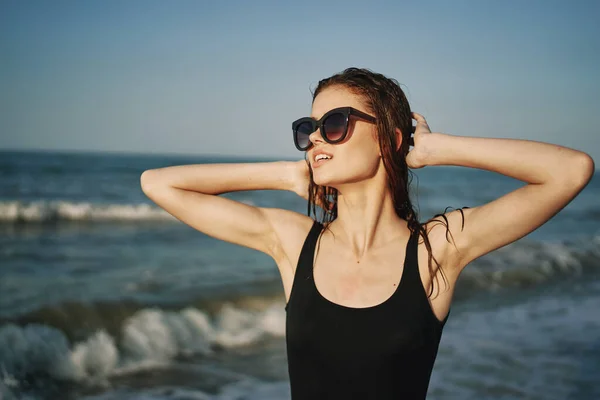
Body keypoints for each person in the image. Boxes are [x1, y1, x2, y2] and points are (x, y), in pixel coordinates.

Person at [140, 67, 594, 399]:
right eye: (307, 130)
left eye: (334, 124)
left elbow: (571, 171)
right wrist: (287, 174)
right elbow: (158, 184)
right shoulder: (294, 242)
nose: (316, 138)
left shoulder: (438, 248)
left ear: (388, 140)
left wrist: (436, 149)